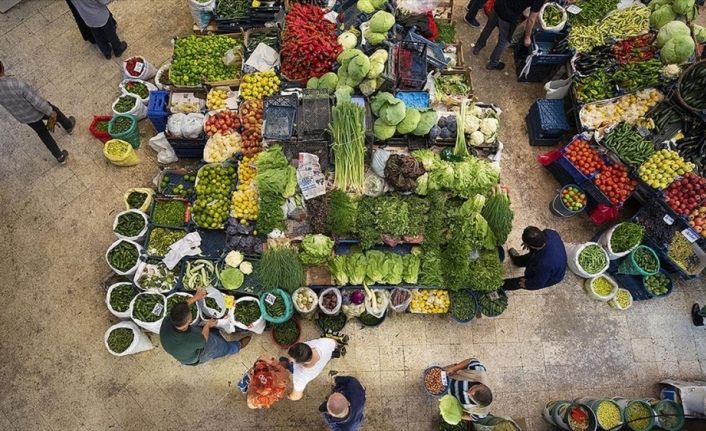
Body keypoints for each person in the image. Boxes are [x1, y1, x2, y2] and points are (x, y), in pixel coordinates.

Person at [0, 61, 74, 164]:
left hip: (24, 117)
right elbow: (37, 102)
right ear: (2, 68)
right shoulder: (17, 84)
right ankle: (68, 126)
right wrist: (50, 112)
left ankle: (60, 156)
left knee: (43, 134)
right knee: (56, 112)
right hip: (37, 111)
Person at [159, 288, 251, 366]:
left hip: (180, 347)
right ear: (188, 321)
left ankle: (216, 334)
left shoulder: (169, 320)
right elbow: (204, 339)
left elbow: (181, 307)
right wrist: (207, 325)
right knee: (217, 346)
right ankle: (236, 347)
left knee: (209, 332)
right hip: (198, 354)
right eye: (190, 313)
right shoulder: (190, 340)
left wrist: (195, 297)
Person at [473, 0, 545, 70]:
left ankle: (477, 47)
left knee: (488, 28)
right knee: (503, 41)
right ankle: (493, 63)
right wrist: (527, 37)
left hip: (498, 6)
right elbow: (531, 20)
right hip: (508, 17)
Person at [503, 226, 567, 291]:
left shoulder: (543, 264)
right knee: (529, 257)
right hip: (549, 258)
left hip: (553, 275)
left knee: (520, 282)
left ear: (532, 246)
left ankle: (503, 286)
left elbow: (539, 283)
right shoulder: (550, 233)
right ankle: (517, 261)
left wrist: (528, 284)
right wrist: (528, 243)